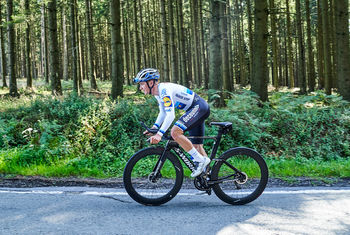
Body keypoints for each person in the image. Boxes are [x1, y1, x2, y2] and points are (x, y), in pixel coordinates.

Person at [134, 68, 211, 177]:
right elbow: (163, 112)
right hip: (196, 108)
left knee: (175, 132)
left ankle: (201, 161)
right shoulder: (157, 93)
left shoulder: (164, 91)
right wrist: (155, 128)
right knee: (197, 146)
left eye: (142, 84)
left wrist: (159, 134)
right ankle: (209, 178)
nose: (140, 87)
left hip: (198, 107)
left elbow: (171, 115)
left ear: (151, 83)